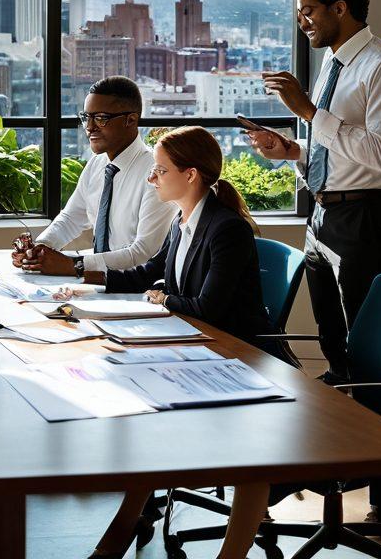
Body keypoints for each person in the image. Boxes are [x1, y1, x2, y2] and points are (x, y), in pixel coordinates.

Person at [82, 126, 271, 559]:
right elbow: (147, 272)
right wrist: (81, 279)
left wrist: (165, 298)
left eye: (160, 171)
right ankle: (128, 522)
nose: (152, 179)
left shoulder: (227, 229)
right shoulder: (184, 219)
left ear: (190, 175)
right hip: (196, 347)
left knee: (145, 405)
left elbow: (207, 309)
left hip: (237, 361)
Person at [247, 0, 381, 384]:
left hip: (367, 215)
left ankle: (379, 432)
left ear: (340, 8)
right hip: (324, 213)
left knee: (365, 341)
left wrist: (307, 111)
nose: (301, 21)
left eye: (308, 11)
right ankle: (337, 422)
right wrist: (292, 150)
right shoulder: (335, 63)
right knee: (332, 338)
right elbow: (339, 144)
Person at [12, 76, 176, 279]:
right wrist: (39, 250)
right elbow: (71, 218)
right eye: (86, 117)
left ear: (131, 120)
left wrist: (75, 265)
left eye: (101, 118)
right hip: (97, 286)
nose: (89, 127)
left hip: (136, 290)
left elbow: (144, 254)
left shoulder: (155, 175)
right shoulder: (97, 164)